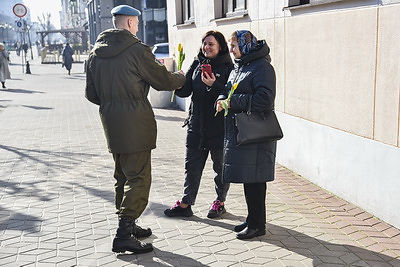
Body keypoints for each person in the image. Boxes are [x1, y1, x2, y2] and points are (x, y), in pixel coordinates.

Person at [85, 5, 186, 254]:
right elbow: (163, 81)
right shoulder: (137, 51)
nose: (138, 27)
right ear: (130, 23)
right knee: (139, 177)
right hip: (136, 123)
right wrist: (182, 76)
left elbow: (91, 94)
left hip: (111, 122)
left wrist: (113, 104)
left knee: (122, 175)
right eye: (137, 23)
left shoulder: (94, 54)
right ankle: (123, 233)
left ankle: (128, 225)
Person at [164, 31, 233, 219]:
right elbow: (185, 91)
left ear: (220, 47)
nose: (206, 47)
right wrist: (176, 81)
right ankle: (186, 204)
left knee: (220, 168)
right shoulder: (197, 63)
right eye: (204, 43)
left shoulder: (228, 68)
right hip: (196, 126)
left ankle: (220, 202)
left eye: (211, 44)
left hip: (218, 129)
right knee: (192, 166)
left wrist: (213, 86)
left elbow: (229, 97)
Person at [216, 30, 277, 240]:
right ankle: (252, 219)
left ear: (245, 45)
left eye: (234, 45)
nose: (231, 50)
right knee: (248, 179)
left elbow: (265, 99)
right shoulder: (241, 66)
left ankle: (258, 225)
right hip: (242, 131)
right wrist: (222, 98)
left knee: (255, 181)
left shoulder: (262, 67)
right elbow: (228, 89)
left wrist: (232, 102)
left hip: (256, 134)